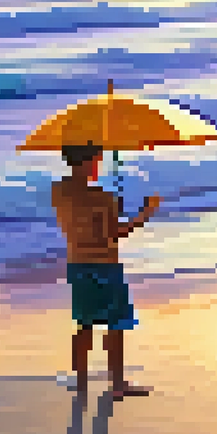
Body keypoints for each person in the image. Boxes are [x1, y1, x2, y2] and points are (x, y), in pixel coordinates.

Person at [50, 145, 161, 398]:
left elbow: (85, 222)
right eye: (96, 160)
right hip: (104, 264)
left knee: (84, 323)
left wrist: (111, 206)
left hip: (77, 264)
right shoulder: (100, 197)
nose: (98, 165)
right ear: (89, 161)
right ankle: (117, 384)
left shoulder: (59, 192)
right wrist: (145, 213)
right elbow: (114, 234)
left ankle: (81, 381)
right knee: (115, 324)